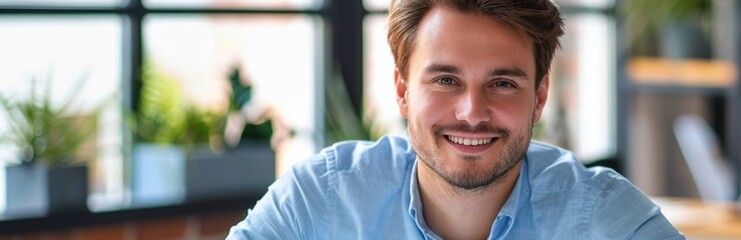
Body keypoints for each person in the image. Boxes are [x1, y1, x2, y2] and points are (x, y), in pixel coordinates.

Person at [228, 0, 682, 239]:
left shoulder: (601, 217)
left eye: (502, 83)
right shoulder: (321, 198)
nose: (472, 113)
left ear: (539, 96)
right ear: (403, 91)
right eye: (446, 80)